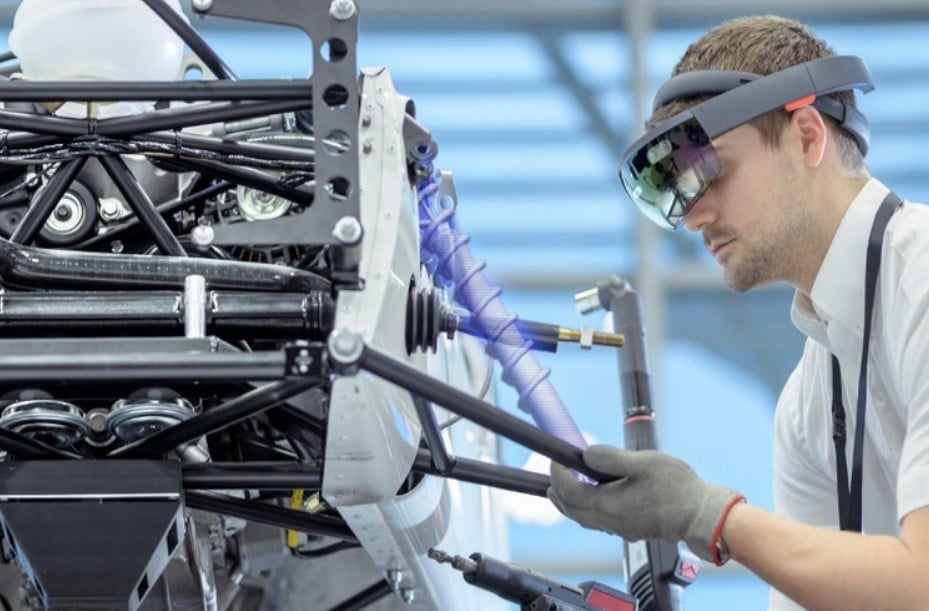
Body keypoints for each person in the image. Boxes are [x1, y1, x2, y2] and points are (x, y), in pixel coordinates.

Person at [547, 15, 929, 611]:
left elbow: (921, 584)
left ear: (806, 136)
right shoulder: (808, 401)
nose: (694, 218)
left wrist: (708, 514)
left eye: (710, 170)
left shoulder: (923, 279)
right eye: (678, 194)